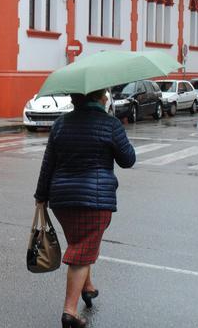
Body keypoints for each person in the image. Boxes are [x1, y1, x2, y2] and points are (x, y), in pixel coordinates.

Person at [34, 88, 136, 328]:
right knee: (81, 251)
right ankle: (69, 312)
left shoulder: (60, 125)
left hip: (62, 199)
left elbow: (48, 164)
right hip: (95, 200)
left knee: (81, 242)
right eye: (106, 95)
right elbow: (128, 159)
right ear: (101, 97)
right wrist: (117, 128)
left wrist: (41, 196)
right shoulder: (109, 124)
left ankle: (87, 287)